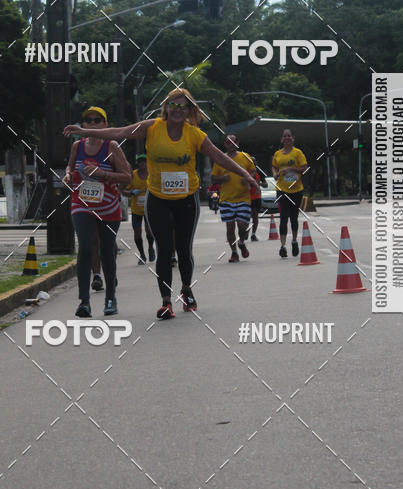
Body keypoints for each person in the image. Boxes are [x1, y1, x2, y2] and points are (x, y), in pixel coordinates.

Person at [64, 88, 259, 319]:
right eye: (173, 105)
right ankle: (166, 302)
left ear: (189, 111)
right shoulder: (152, 127)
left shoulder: (194, 135)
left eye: (182, 106)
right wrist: (84, 131)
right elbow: (120, 132)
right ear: (165, 108)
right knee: (165, 249)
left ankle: (186, 289)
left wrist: (246, 175)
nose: (177, 110)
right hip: (157, 199)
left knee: (184, 250)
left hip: (186, 200)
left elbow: (219, 157)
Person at [63, 106, 132, 318]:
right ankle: (84, 301)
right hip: (81, 203)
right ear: (83, 125)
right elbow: (70, 167)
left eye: (97, 120)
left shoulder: (111, 146)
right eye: (88, 120)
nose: (92, 124)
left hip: (108, 205)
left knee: (106, 250)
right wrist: (68, 176)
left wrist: (103, 173)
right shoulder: (77, 145)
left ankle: (110, 297)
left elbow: (127, 176)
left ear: (105, 125)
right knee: (84, 248)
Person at [211, 134, 255, 263]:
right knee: (230, 227)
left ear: (237, 143)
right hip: (226, 199)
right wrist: (222, 179)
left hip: (243, 197)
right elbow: (213, 178)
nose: (231, 144)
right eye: (228, 142)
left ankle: (241, 242)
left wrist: (246, 177)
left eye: (233, 142)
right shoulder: (220, 159)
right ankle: (234, 252)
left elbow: (253, 171)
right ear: (225, 144)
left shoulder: (245, 157)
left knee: (242, 225)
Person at [271, 129, 308, 258]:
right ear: (281, 139)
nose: (287, 138)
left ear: (293, 138)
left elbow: (304, 168)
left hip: (296, 190)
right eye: (284, 136)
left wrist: (292, 169)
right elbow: (274, 166)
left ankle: (294, 241)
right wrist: (275, 173)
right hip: (282, 189)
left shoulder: (298, 153)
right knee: (283, 218)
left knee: (293, 218)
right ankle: (283, 246)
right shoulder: (277, 154)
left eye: (289, 136)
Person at [124, 154, 155, 265]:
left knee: (149, 231)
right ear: (138, 163)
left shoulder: (152, 174)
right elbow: (123, 191)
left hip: (149, 208)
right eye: (140, 162)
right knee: (137, 233)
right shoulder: (133, 175)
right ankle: (142, 254)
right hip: (136, 209)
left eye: (144, 161)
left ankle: (151, 248)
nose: (142, 164)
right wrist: (132, 192)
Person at [248, 163, 268, 241]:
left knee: (255, 215)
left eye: (254, 163)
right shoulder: (245, 171)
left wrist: (259, 183)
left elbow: (265, 184)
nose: (253, 164)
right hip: (247, 197)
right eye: (251, 162)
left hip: (257, 197)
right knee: (247, 216)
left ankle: (253, 234)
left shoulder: (259, 172)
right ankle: (245, 231)